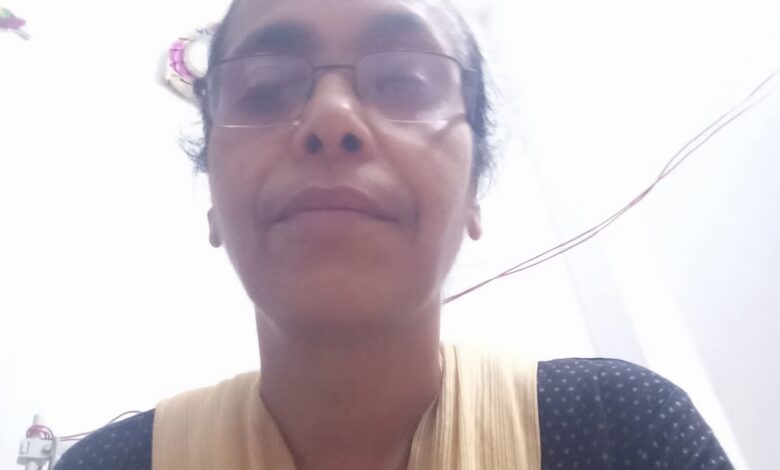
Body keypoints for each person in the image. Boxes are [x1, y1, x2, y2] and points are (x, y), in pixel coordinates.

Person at [56, 0, 734, 468]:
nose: (331, 118)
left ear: (473, 195)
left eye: (404, 80)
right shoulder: (110, 466)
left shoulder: (621, 434)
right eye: (263, 88)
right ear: (213, 199)